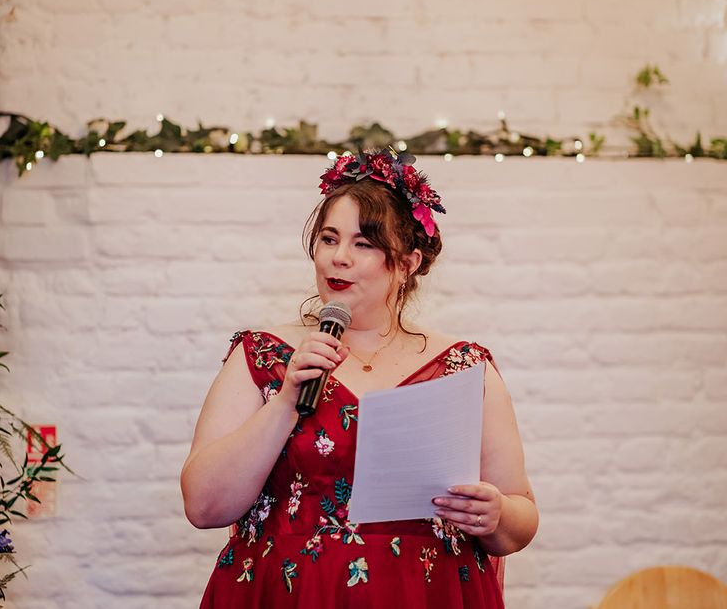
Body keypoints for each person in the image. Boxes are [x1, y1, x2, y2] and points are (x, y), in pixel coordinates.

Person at [181, 148, 539, 608]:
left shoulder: (464, 366)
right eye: (329, 239)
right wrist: (286, 400)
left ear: (407, 263)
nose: (339, 258)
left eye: (364, 244)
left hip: (425, 592)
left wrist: (496, 514)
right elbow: (204, 507)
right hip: (293, 591)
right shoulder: (263, 355)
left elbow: (521, 516)